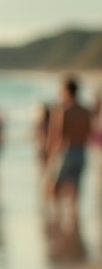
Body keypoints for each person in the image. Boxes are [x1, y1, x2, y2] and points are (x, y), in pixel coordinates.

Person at [46, 74, 94, 219]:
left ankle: (57, 216)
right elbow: (89, 133)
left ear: (66, 91)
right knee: (76, 186)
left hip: (66, 152)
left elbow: (57, 135)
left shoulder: (62, 110)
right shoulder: (86, 111)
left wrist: (50, 155)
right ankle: (74, 216)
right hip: (82, 151)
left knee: (53, 186)